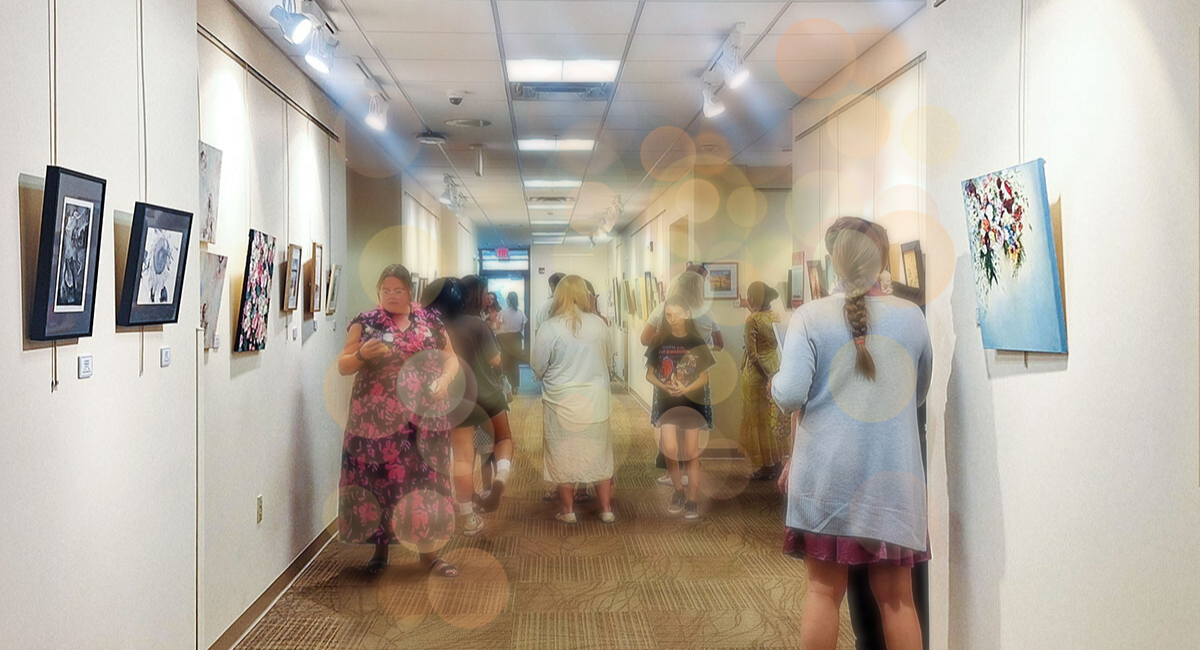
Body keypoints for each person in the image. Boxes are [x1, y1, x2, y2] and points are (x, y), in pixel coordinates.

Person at [772, 217, 933, 650]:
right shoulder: (912, 317)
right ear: (882, 259)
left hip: (828, 478)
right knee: (898, 600)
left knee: (823, 594)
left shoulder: (809, 318)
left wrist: (776, 378)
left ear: (833, 261)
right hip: (892, 478)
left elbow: (788, 396)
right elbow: (917, 395)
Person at [337, 265, 461, 578]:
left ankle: (430, 554)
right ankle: (380, 551)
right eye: (386, 290)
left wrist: (445, 381)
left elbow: (451, 359)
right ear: (378, 291)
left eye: (398, 290)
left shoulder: (430, 322)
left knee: (425, 483)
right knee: (380, 483)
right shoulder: (364, 323)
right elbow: (343, 365)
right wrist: (362, 355)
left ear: (410, 292)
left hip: (423, 417)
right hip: (375, 420)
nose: (392, 296)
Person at [530, 275, 616, 524]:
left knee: (563, 452)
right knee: (599, 452)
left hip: (561, 402)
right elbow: (608, 358)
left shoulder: (549, 327)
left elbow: (537, 366)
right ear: (585, 295)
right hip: (596, 400)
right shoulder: (600, 325)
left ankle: (568, 511)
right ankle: (606, 508)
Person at [640, 269, 724, 487]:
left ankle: (672, 474)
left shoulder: (663, 309)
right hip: (695, 378)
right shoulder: (707, 312)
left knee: (670, 428)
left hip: (667, 376)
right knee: (691, 430)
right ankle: (690, 471)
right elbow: (720, 344)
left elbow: (644, 339)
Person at [645, 294, 715, 521]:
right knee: (671, 448)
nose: (671, 319)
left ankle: (692, 498)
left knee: (691, 451)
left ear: (686, 314)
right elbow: (649, 375)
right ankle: (678, 490)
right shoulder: (659, 341)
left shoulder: (696, 342)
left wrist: (685, 389)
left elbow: (704, 378)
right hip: (667, 402)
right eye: (668, 315)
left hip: (692, 402)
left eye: (675, 314)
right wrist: (664, 387)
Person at [458, 275, 517, 512]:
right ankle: (499, 479)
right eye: (484, 293)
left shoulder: (446, 324)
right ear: (475, 295)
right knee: (501, 438)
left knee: (465, 451)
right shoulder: (478, 324)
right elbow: (495, 359)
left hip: (459, 396)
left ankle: (468, 500)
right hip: (486, 393)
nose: (487, 297)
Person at [739, 281, 790, 480]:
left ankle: (766, 465)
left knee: (758, 421)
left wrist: (764, 376)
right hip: (774, 367)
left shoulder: (752, 320)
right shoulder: (775, 316)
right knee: (772, 419)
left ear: (753, 298)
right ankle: (776, 463)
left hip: (756, 376)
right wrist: (771, 375)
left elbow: (753, 355)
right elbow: (760, 317)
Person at [496, 291, 527, 393]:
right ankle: (515, 386)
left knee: (505, 362)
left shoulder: (502, 313)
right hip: (516, 340)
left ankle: (506, 386)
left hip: (504, 340)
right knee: (515, 364)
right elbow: (522, 328)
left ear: (508, 301)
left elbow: (498, 326)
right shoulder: (521, 313)